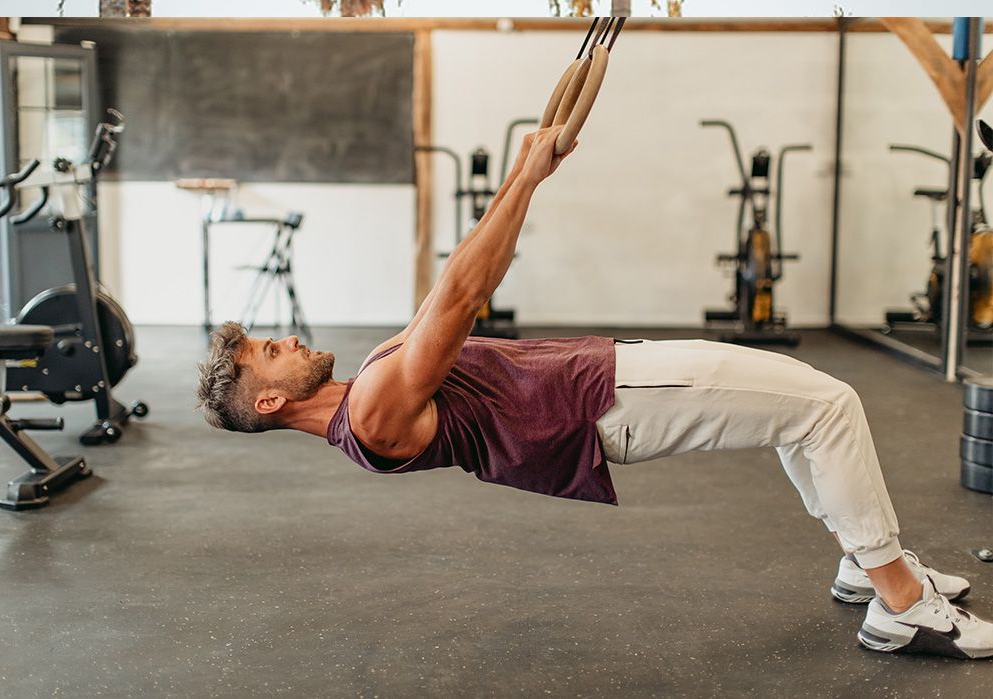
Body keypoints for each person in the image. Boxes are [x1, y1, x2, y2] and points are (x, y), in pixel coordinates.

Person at [197, 127, 993, 660]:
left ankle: (866, 557)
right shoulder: (370, 411)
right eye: (273, 351)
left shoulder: (363, 383)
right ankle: (898, 600)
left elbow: (457, 280)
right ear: (268, 402)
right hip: (607, 400)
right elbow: (465, 290)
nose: (289, 339)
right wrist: (529, 177)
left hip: (604, 378)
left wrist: (520, 174)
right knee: (829, 404)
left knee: (797, 414)